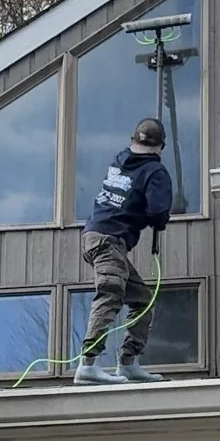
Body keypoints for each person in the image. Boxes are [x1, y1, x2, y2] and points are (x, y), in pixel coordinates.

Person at [74, 117, 173, 385]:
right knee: (110, 294)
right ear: (161, 147)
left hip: (96, 236)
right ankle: (88, 364)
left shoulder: (120, 159)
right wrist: (163, 213)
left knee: (142, 301)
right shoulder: (155, 171)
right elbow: (157, 211)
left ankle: (128, 363)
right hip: (110, 241)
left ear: (133, 141)